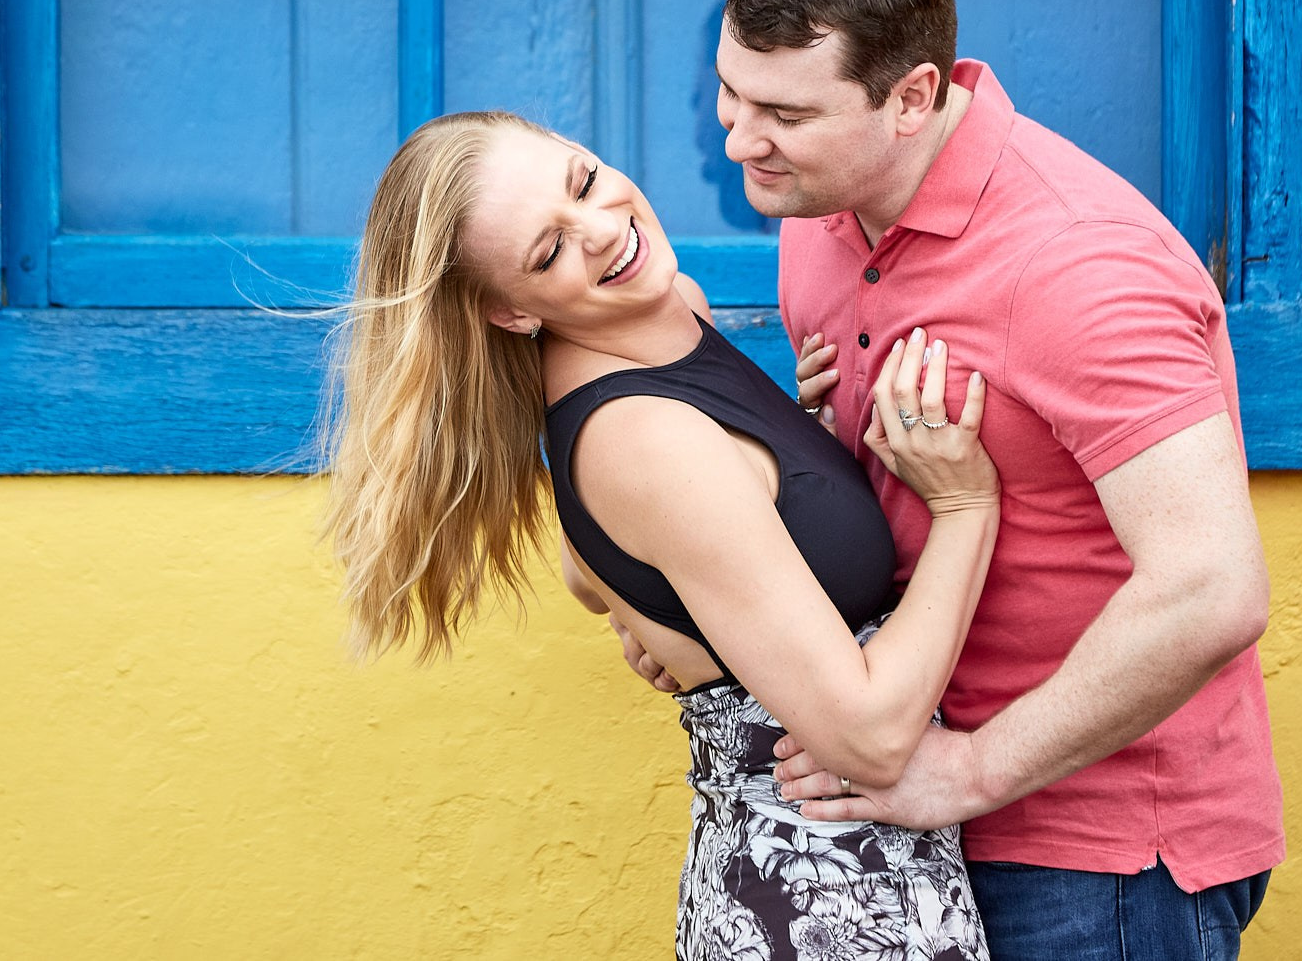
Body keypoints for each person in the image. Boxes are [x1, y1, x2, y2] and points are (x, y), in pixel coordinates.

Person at [636, 0, 1281, 960]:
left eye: (785, 115)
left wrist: (970, 772)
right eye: (728, 92)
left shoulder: (1081, 265)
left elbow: (1211, 588)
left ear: (911, 98)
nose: (737, 137)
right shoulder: (823, 217)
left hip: (1095, 853)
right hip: (904, 817)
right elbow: (876, 504)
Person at [323, 110, 1000, 960]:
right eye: (549, 252)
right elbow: (868, 736)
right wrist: (969, 508)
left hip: (875, 888)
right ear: (510, 312)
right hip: (822, 911)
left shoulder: (672, 313)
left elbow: (590, 562)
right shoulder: (642, 438)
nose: (606, 230)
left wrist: (783, 465)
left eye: (585, 180)